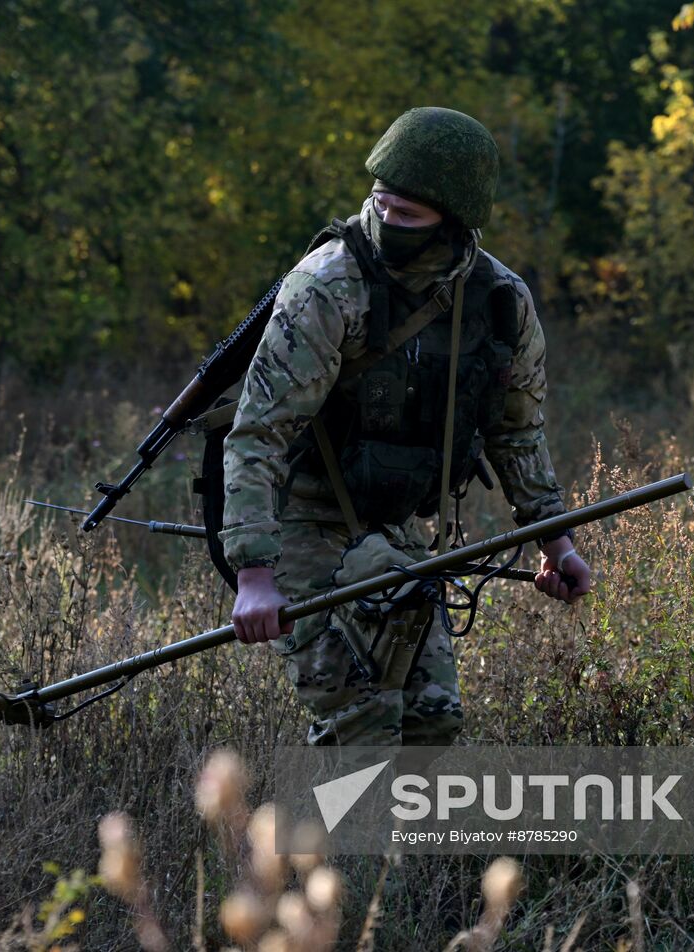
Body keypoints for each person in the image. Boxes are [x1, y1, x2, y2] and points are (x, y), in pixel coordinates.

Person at [219, 106, 592, 747]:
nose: (389, 222)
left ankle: (402, 851)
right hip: (303, 524)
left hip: (397, 530)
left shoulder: (501, 303)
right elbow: (260, 433)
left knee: (432, 724)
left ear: (455, 219)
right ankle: (332, 851)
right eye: (381, 204)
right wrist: (254, 575)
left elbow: (518, 433)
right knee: (360, 728)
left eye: (410, 215)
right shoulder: (326, 286)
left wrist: (555, 545)